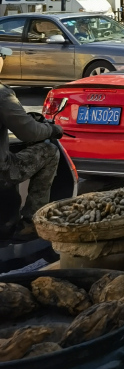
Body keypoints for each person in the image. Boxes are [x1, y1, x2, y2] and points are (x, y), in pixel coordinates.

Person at [0, 47, 63, 239]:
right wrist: (53, 130)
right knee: (49, 152)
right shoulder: (2, 94)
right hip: (2, 169)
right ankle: (32, 221)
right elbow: (29, 132)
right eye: (2, 56)